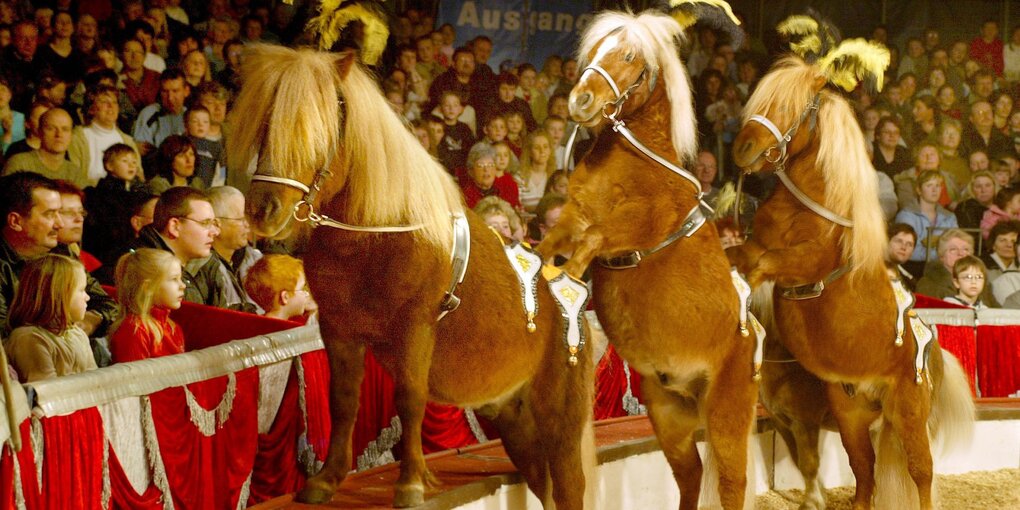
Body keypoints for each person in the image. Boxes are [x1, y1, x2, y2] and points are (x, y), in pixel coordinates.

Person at [4, 254, 97, 382]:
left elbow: (96, 381)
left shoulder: (78, 334)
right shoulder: (29, 338)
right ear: (58, 295)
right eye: (81, 290)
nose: (87, 297)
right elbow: (47, 393)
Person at [131, 186, 226, 308]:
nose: (215, 232)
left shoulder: (204, 264)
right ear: (175, 227)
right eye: (205, 223)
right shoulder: (143, 269)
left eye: (214, 223)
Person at [109, 248, 186, 362]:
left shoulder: (173, 328)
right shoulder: (135, 330)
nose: (183, 285)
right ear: (148, 287)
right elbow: (135, 377)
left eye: (181, 279)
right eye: (174, 279)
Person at [67, 85, 140, 186]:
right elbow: (75, 177)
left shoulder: (127, 141)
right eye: (104, 102)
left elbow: (138, 175)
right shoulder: (77, 138)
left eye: (114, 102)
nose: (111, 106)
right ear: (91, 108)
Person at [894, 170, 958, 277]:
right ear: (919, 190)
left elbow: (956, 247)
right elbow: (909, 252)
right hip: (914, 269)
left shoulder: (950, 217)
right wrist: (942, 252)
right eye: (929, 185)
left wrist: (930, 245)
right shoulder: (906, 215)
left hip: (944, 270)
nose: (934, 190)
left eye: (938, 186)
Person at [207, 186, 261, 313]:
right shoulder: (207, 271)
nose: (248, 224)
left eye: (248, 218)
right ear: (216, 224)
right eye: (241, 219)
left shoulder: (254, 259)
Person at [2, 108, 84, 187]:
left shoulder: (75, 173)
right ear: (40, 132)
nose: (59, 134)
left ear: (71, 135)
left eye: (65, 129)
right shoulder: (20, 164)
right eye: (51, 128)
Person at [916, 228, 998, 305]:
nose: (961, 253)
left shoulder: (982, 284)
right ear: (941, 255)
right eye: (953, 249)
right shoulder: (928, 284)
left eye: (966, 249)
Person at [132, 68, 190, 157]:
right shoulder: (149, 113)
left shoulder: (191, 116)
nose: (170, 97)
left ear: (186, 91)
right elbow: (141, 152)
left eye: (175, 91)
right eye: (165, 91)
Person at [243, 254, 317, 322]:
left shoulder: (256, 324)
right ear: (285, 297)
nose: (306, 294)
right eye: (302, 289)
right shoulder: (284, 330)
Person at [459, 143, 519, 209]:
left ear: (495, 169)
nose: (486, 169)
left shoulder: (505, 189)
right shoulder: (465, 196)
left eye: (490, 165)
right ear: (471, 171)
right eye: (480, 166)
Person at [183, 106, 224, 188]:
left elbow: (222, 169)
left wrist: (219, 186)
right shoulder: (181, 143)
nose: (200, 125)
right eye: (195, 121)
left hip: (206, 191)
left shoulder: (215, 147)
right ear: (186, 124)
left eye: (205, 122)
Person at [517, 131, 556, 213]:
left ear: (550, 150)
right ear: (530, 152)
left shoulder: (556, 177)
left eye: (545, 147)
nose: (542, 151)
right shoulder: (519, 177)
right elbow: (517, 208)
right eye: (537, 147)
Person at [887, 223, 919, 290]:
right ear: (886, 242)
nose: (904, 247)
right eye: (899, 241)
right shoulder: (872, 270)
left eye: (909, 244)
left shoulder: (910, 281)